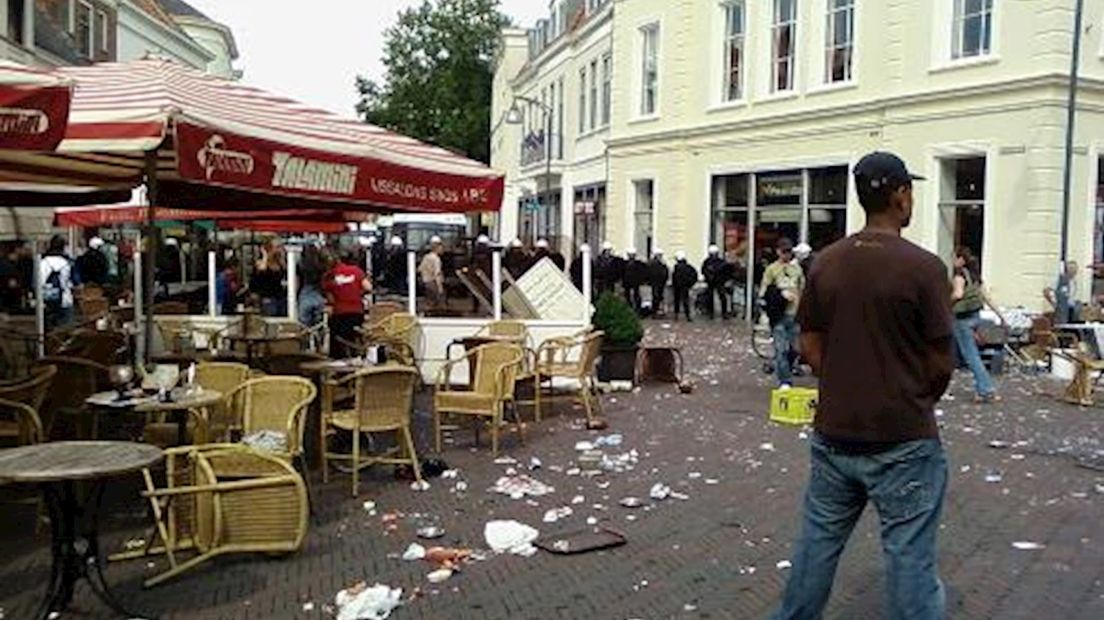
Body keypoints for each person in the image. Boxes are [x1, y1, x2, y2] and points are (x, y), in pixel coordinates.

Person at [772, 151, 952, 620]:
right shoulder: (924, 268)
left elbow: (807, 339)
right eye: (908, 190)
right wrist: (915, 394)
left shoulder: (826, 263)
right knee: (909, 556)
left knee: (816, 547)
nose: (910, 198)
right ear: (898, 196)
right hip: (903, 437)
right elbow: (941, 359)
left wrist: (839, 378)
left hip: (835, 434)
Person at [951, 247, 998, 403]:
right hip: (975, 316)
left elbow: (958, 294)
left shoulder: (959, 275)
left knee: (971, 356)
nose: (952, 260)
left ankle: (986, 389)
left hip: (962, 319)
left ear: (961, 260)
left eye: (954, 257)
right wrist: (1001, 316)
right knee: (973, 354)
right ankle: (983, 389)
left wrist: (946, 301)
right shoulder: (975, 276)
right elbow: (986, 298)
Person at [759, 238, 805, 387]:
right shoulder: (772, 269)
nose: (787, 255)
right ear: (778, 251)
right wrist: (779, 296)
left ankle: (788, 370)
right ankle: (785, 381)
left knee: (795, 349)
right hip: (779, 315)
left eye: (789, 252)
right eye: (784, 251)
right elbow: (764, 292)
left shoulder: (796, 270)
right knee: (781, 350)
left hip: (795, 314)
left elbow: (802, 288)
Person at [324, 251, 371, 359]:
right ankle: (356, 358)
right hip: (356, 312)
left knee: (338, 343)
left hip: (339, 313)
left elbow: (330, 299)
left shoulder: (329, 275)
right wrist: (358, 293)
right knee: (354, 338)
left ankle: (338, 364)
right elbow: (368, 287)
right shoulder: (356, 271)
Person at [40, 235, 75, 330]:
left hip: (45, 300)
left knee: (47, 330)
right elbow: (73, 281)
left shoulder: (43, 262)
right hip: (65, 299)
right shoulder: (68, 263)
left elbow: (37, 282)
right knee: (66, 330)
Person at [251, 238, 287, 317]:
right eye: (277, 247)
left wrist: (282, 257)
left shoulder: (279, 262)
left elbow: (285, 271)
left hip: (279, 297)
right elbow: (262, 270)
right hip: (267, 297)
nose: (279, 249)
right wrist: (265, 255)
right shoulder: (261, 262)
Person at [298, 244, 328, 329]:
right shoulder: (321, 266)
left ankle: (306, 341)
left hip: (305, 294)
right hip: (319, 294)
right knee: (319, 325)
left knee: (304, 325)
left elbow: (297, 282)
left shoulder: (301, 265)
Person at [1045, 260, 1081, 324]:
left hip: (1071, 311)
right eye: (1071, 268)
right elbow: (1046, 291)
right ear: (1067, 269)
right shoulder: (1059, 280)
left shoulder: (1074, 282)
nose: (1073, 271)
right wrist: (1054, 304)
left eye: (1075, 269)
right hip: (1061, 311)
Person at [701, 245, 731, 319]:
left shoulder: (707, 262)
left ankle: (712, 313)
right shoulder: (719, 262)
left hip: (715, 282)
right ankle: (722, 313)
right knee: (719, 297)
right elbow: (726, 272)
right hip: (717, 282)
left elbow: (703, 271)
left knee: (714, 297)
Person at [419, 236, 446, 311]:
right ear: (437, 247)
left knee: (428, 301)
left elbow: (420, 269)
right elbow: (437, 274)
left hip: (426, 282)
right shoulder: (436, 259)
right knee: (435, 303)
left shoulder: (426, 257)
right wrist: (440, 287)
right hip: (433, 283)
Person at [671, 251, 697, 322]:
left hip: (677, 287)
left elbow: (674, 277)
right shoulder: (689, 267)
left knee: (677, 301)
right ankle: (688, 316)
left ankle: (676, 315)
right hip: (685, 287)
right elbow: (695, 276)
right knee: (686, 301)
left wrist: (674, 285)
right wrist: (690, 284)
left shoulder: (676, 267)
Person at [622, 248, 647, 313]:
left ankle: (637, 309)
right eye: (630, 255)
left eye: (632, 255)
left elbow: (642, 272)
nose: (631, 256)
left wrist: (641, 281)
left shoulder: (638, 264)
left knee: (637, 296)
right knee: (627, 296)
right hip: (627, 282)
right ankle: (629, 307)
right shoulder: (624, 264)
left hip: (635, 282)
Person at [648, 248, 670, 316]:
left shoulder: (659, 263)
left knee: (658, 297)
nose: (660, 256)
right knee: (656, 297)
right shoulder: (654, 263)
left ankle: (657, 311)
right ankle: (655, 311)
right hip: (656, 282)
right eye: (659, 255)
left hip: (659, 282)